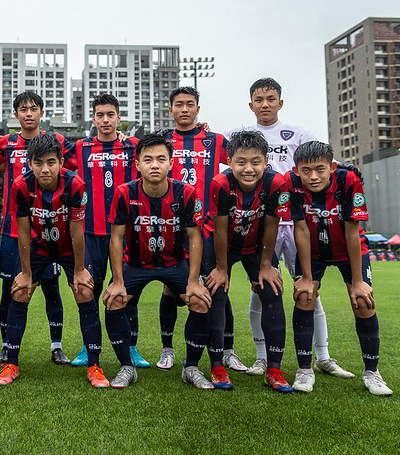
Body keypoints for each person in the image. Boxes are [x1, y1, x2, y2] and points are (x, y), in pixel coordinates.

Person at [225, 78, 350, 378]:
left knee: (309, 286)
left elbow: (323, 163)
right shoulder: (238, 135)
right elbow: (209, 146)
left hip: (296, 222)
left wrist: (348, 169)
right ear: (250, 104)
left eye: (271, 99)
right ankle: (262, 358)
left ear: (280, 102)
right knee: (261, 288)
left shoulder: (298, 133)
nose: (265, 104)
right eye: (259, 100)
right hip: (261, 222)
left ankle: (323, 357)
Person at [0, 133, 109, 388]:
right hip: (40, 247)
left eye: (51, 162)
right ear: (29, 163)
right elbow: (23, 231)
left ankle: (94, 366)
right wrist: (26, 273)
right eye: (38, 163)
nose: (45, 169)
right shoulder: (21, 186)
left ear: (61, 162)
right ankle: (11, 363)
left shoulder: (75, 185)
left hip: (69, 248)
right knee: (21, 291)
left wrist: (79, 270)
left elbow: (77, 230)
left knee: (84, 291)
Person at [103, 132, 212, 390]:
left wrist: (194, 280)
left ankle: (191, 367)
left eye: (161, 159)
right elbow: (116, 238)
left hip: (174, 263)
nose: (155, 165)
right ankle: (126, 367)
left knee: (200, 300)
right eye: (148, 159)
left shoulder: (186, 193)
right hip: (136, 264)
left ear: (171, 163)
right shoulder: (124, 193)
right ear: (137, 164)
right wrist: (117, 280)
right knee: (114, 299)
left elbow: (195, 237)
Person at [289, 141, 392, 395]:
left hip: (348, 250)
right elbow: (300, 230)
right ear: (296, 170)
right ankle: (304, 369)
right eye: (306, 171)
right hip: (313, 251)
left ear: (332, 167)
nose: (313, 176)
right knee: (304, 296)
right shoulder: (291, 183)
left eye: (320, 169)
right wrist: (307, 278)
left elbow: (352, 231)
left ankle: (372, 372)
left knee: (363, 301)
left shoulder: (348, 181)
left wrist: (357, 282)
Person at [155, 86, 245, 372]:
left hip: (207, 228)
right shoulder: (162, 141)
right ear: (170, 109)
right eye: (179, 104)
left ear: (197, 109)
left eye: (190, 104)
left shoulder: (215, 140)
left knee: (217, 286)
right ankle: (167, 349)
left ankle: (227, 351)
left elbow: (242, 161)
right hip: (172, 225)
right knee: (170, 288)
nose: (184, 109)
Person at [202, 131, 291, 392]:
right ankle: (217, 366)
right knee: (216, 295)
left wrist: (266, 265)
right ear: (230, 162)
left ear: (266, 162)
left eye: (255, 162)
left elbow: (272, 225)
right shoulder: (220, 183)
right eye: (241, 162)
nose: (248, 169)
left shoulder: (276, 183)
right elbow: (219, 231)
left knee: (272, 293)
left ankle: (274, 369)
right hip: (221, 246)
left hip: (257, 246)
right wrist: (221, 269)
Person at [0, 91, 74, 365]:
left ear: (42, 113)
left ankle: (57, 346)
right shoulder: (5, 143)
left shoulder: (56, 141)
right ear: (15, 114)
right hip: (12, 228)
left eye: (34, 108)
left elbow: (79, 157)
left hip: (46, 228)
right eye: (23, 109)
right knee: (10, 287)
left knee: (51, 288)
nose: (29, 114)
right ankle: (6, 345)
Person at [71, 93, 146, 368]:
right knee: (89, 292)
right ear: (93, 118)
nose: (105, 120)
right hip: (90, 233)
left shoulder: (133, 146)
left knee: (127, 293)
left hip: (125, 234)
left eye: (110, 115)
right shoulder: (81, 147)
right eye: (100, 115)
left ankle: (132, 348)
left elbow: (164, 145)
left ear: (118, 118)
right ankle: (88, 346)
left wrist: (203, 126)